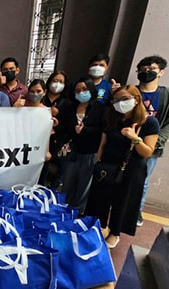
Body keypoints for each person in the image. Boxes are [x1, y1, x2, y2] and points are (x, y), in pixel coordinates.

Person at [85, 85, 159, 248]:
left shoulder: (148, 122)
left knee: (123, 201)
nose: (120, 103)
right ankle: (99, 226)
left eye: (125, 99)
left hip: (132, 169)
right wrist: (98, 163)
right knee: (100, 198)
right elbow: (103, 143)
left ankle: (115, 232)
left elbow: (147, 152)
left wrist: (135, 138)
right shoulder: (112, 118)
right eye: (116, 100)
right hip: (108, 164)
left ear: (136, 99)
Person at [61, 77, 105, 213]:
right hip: (72, 151)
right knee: (67, 182)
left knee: (84, 184)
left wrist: (85, 130)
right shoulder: (69, 107)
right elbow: (63, 126)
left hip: (90, 152)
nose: (81, 93)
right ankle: (64, 210)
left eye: (85, 89)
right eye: (78, 90)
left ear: (91, 90)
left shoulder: (100, 108)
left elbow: (103, 131)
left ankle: (78, 211)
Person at [135, 55, 169, 226]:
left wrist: (157, 140)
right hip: (128, 142)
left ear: (161, 72)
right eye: (143, 70)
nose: (147, 72)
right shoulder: (132, 91)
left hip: (151, 146)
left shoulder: (165, 95)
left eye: (152, 69)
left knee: (143, 179)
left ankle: (136, 211)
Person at [41, 71, 72, 188]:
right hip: (40, 140)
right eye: (55, 81)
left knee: (56, 170)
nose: (57, 84)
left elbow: (68, 125)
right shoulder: (41, 98)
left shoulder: (67, 102)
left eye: (61, 82)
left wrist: (57, 122)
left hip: (57, 141)